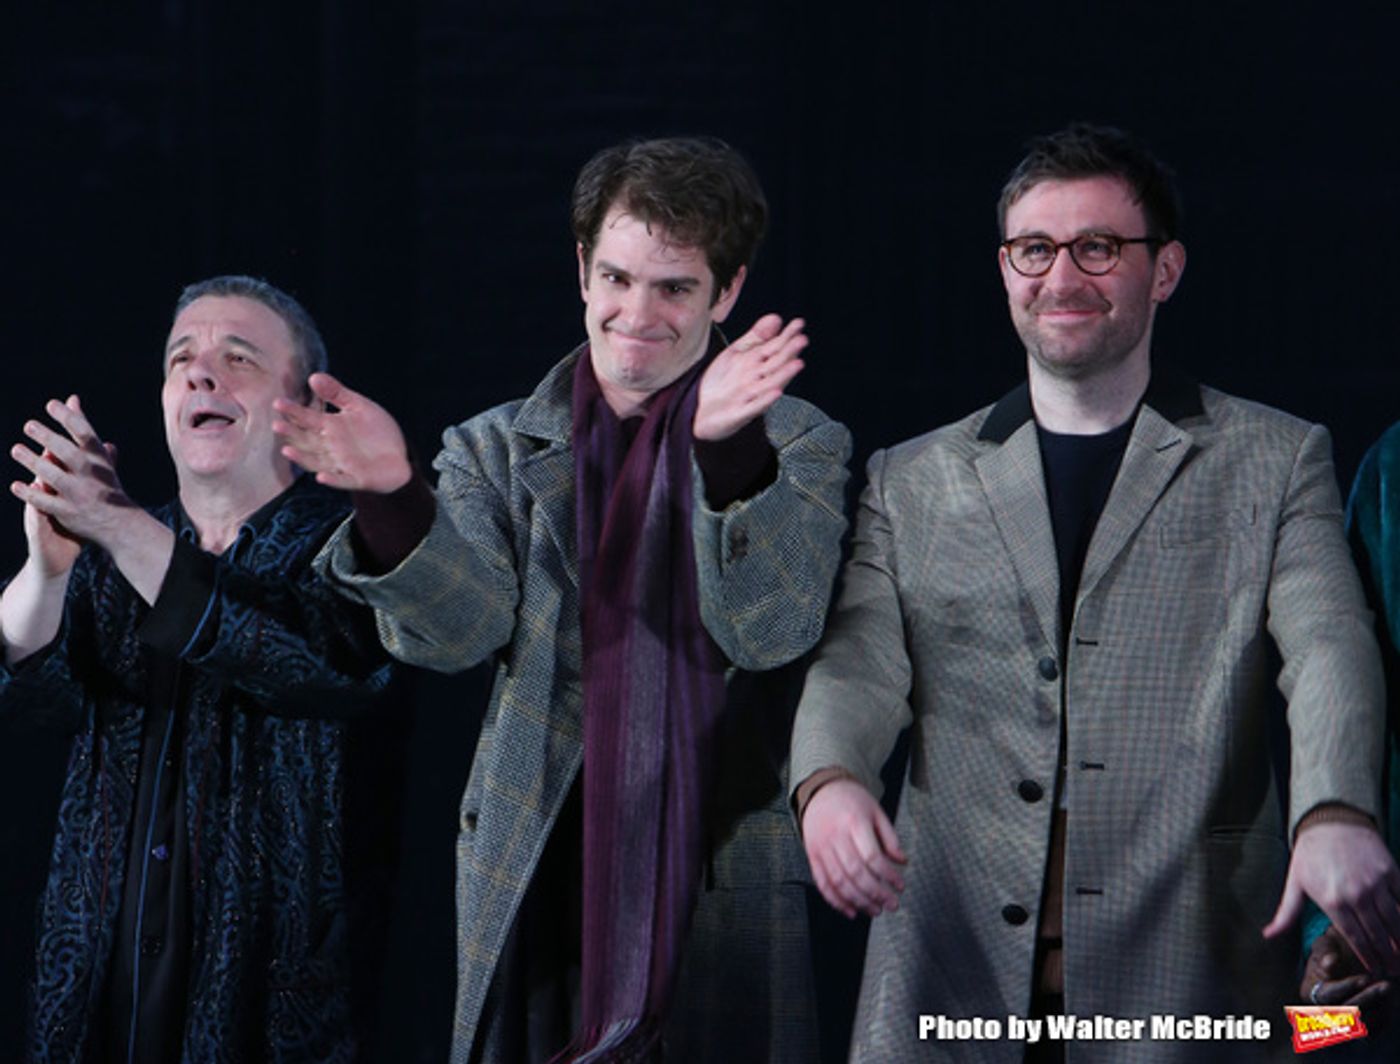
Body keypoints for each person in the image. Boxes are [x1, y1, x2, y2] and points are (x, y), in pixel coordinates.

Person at [789, 124, 1400, 1062]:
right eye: (1034, 249)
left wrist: (1335, 813)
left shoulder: (1278, 458)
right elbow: (858, 661)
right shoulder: (908, 480)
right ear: (1005, 269)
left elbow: (1328, 644)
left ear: (1165, 270)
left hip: (1189, 988)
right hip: (947, 984)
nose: (1062, 275)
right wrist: (829, 782)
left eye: (1099, 247)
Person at [271, 136, 851, 1062]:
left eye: (675, 287)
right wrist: (392, 498)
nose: (637, 315)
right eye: (617, 278)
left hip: (713, 876)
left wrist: (727, 453)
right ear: (582, 270)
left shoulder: (801, 440)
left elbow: (772, 630)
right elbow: (456, 636)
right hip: (535, 867)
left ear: (728, 292)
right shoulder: (494, 447)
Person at [0, 276, 394, 1063]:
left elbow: (305, 662)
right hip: (102, 1006)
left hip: (271, 1014)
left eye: (238, 358)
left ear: (301, 407)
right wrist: (47, 568)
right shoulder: (117, 552)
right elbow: (38, 701)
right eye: (181, 359)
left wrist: (116, 525)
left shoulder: (351, 551)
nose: (201, 374)